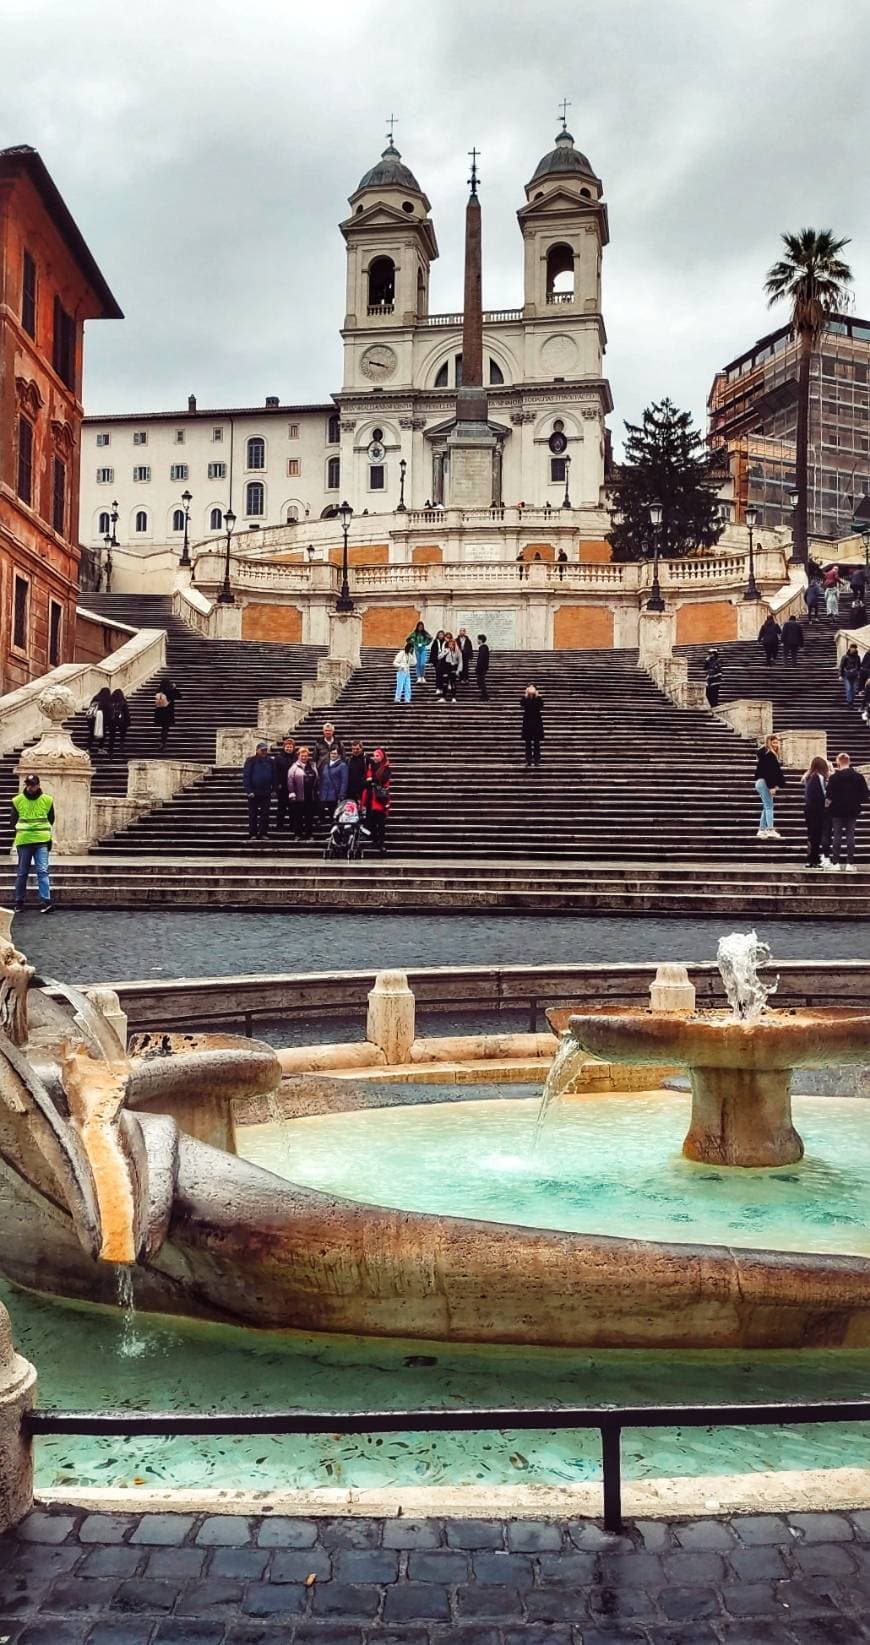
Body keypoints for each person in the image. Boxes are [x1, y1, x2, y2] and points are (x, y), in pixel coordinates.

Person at [11, 773, 55, 914]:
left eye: (32, 785)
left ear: (38, 785)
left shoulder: (47, 800)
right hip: (25, 841)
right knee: (23, 872)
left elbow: (51, 818)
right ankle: (19, 902)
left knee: (42, 871)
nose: (30, 787)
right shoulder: (17, 800)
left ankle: (46, 901)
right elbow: (13, 821)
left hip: (41, 840)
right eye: (28, 784)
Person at [824, 751, 869, 872]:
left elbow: (829, 795)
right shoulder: (858, 777)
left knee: (837, 835)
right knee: (850, 835)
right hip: (852, 810)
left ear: (838, 762)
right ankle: (850, 863)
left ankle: (836, 863)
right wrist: (856, 802)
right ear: (849, 762)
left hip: (837, 811)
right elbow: (865, 794)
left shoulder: (834, 778)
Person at [754, 734, 785, 840]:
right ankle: (770, 829)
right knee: (769, 806)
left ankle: (762, 829)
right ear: (769, 743)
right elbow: (769, 772)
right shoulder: (770, 755)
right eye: (774, 742)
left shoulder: (766, 755)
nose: (776, 745)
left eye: (777, 742)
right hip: (765, 782)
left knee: (766, 806)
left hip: (761, 782)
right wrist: (772, 786)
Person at [362, 746, 392, 854]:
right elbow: (366, 781)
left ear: (382, 756)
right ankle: (374, 840)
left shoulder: (386, 767)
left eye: (377, 755)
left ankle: (381, 842)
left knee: (381, 822)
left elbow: (383, 779)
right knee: (371, 820)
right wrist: (371, 780)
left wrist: (372, 780)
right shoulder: (371, 766)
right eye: (374, 756)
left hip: (380, 798)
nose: (375, 757)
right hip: (371, 797)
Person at [242, 740, 274, 839]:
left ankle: (263, 833)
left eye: (265, 750)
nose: (264, 752)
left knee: (265, 814)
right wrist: (249, 791)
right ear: (257, 750)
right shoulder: (250, 760)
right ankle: (253, 833)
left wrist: (273, 787)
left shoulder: (270, 761)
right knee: (253, 814)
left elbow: (274, 775)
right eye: (262, 750)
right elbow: (246, 776)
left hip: (266, 792)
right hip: (253, 792)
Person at [803, 755, 830, 869]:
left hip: (810, 809)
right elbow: (819, 794)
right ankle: (813, 858)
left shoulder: (809, 777)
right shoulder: (817, 777)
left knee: (812, 835)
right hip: (816, 810)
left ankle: (812, 858)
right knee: (816, 835)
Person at [287, 746, 317, 838]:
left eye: (305, 756)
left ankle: (309, 834)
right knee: (298, 816)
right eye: (302, 756)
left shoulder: (312, 766)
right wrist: (292, 792)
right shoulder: (294, 767)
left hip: (310, 795)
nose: (304, 757)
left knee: (309, 816)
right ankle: (298, 834)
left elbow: (317, 778)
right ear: (298, 756)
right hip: (298, 795)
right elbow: (290, 780)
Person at [273, 737, 297, 830]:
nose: (289, 748)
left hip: (293, 787)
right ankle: (279, 825)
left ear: (293, 747)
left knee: (293, 807)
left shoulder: (296, 757)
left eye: (291, 747)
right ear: (284, 747)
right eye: (287, 746)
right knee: (281, 806)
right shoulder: (278, 758)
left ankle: (292, 825)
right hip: (282, 786)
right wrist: (276, 785)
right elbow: (275, 772)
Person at [318, 745, 349, 817]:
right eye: (331, 753)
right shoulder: (326, 765)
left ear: (339, 755)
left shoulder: (342, 765)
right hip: (324, 795)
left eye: (335, 753)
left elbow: (344, 781)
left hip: (334, 795)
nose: (333, 755)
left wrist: (342, 794)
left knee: (334, 815)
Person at [154, 676, 181, 749]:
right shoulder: (170, 691)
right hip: (168, 713)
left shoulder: (159, 691)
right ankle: (163, 743)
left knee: (164, 728)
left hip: (160, 712)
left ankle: (162, 742)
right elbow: (179, 696)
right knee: (165, 728)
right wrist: (174, 688)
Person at [521, 685, 545, 767]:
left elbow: (541, 704)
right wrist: (527, 696)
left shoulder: (538, 699)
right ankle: (529, 760)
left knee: (536, 743)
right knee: (528, 743)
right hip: (529, 723)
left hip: (535, 724)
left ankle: (536, 760)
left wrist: (536, 696)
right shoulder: (525, 698)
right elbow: (522, 704)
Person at [86, 686, 112, 752]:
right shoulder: (106, 699)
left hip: (92, 719)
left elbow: (91, 709)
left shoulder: (96, 698)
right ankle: (100, 748)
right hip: (102, 719)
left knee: (92, 734)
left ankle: (88, 748)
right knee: (103, 734)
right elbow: (109, 710)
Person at [407, 621, 432, 685]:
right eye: (419, 627)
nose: (420, 628)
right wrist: (413, 642)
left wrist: (425, 643)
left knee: (422, 663)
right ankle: (418, 677)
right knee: (417, 664)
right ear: (417, 627)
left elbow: (430, 638)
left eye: (421, 627)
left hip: (423, 649)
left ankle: (422, 676)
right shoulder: (414, 633)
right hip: (416, 649)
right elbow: (408, 639)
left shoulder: (425, 633)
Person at [439, 634, 461, 703]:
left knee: (453, 683)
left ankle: (453, 697)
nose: (451, 646)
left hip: (453, 667)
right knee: (445, 682)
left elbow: (460, 662)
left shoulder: (457, 652)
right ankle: (443, 697)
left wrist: (458, 670)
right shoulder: (446, 650)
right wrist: (444, 653)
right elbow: (439, 657)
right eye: (450, 644)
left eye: (452, 644)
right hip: (446, 667)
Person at [108, 688, 130, 755]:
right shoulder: (123, 702)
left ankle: (111, 749)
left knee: (112, 735)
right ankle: (121, 747)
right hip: (121, 721)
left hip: (112, 720)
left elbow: (108, 712)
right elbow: (126, 713)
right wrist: (128, 722)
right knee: (122, 734)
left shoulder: (110, 702)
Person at [429, 630, 446, 696]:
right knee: (438, 675)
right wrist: (433, 660)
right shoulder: (435, 642)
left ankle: (442, 688)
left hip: (444, 661)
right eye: (440, 634)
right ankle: (438, 688)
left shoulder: (446, 642)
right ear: (438, 635)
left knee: (443, 676)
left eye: (442, 634)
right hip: (437, 661)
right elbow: (433, 651)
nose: (441, 636)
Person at [476, 633, 490, 701]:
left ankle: (485, 696)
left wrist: (478, 668)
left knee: (481, 682)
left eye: (478, 639)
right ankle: (484, 695)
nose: (477, 641)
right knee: (480, 682)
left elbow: (481, 659)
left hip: (481, 668)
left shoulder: (483, 647)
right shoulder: (483, 647)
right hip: (483, 668)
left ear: (481, 640)